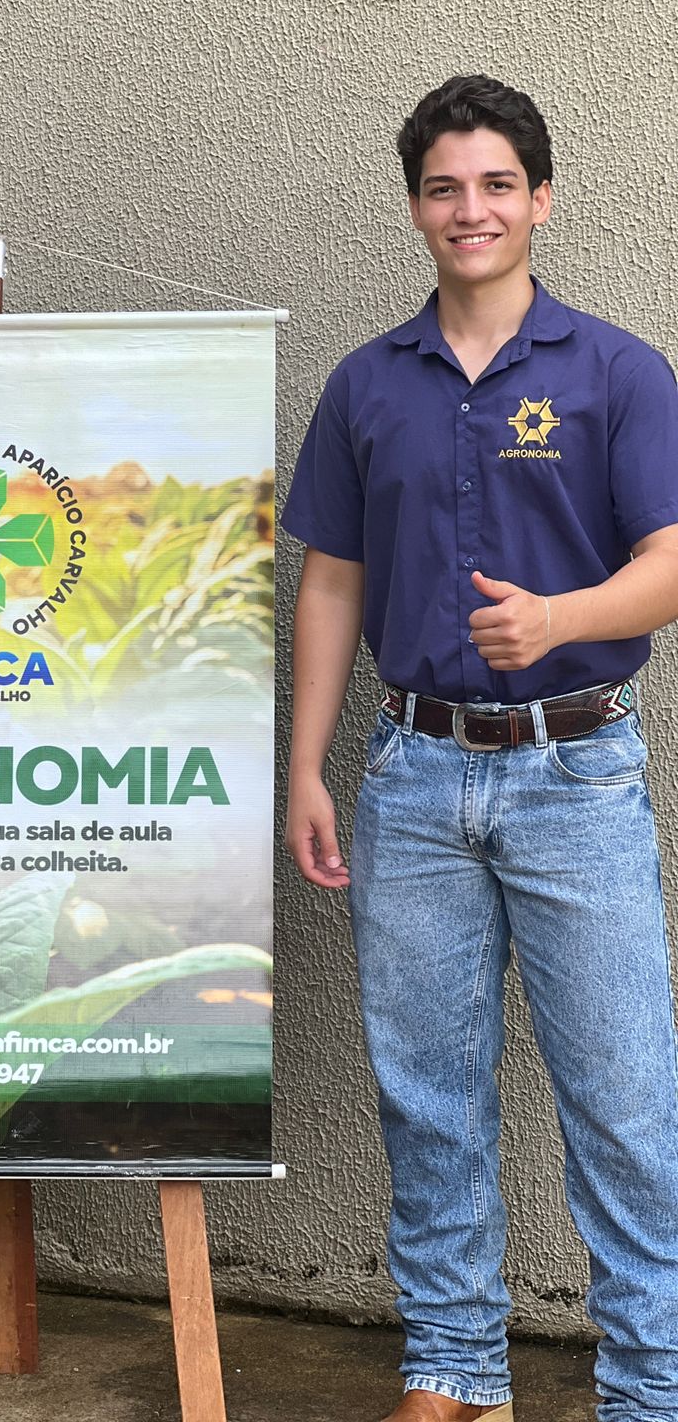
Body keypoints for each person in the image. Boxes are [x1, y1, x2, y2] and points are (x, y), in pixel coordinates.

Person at [281, 75, 678, 1422]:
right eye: (445, 187)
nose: (472, 209)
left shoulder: (618, 372)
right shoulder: (366, 383)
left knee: (623, 1099)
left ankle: (650, 1386)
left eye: (498, 184)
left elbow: (670, 561)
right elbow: (333, 578)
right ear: (415, 208)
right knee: (428, 1096)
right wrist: (309, 767)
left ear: (541, 200)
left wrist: (560, 618)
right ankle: (454, 1370)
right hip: (414, 774)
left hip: (577, 774)